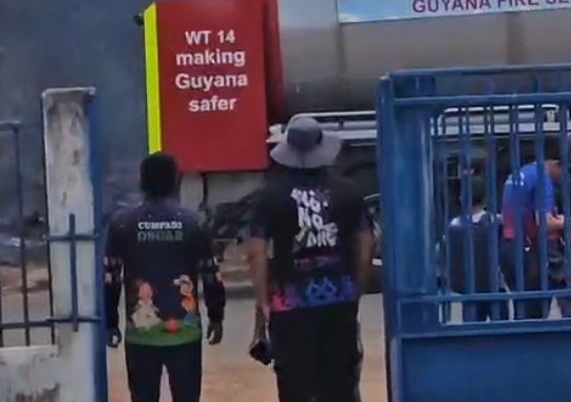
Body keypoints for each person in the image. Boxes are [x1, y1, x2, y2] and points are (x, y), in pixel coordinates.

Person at [247, 115, 374, 402]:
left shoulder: (269, 196)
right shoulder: (348, 191)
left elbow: (256, 254)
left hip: (289, 305)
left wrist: (263, 304)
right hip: (339, 301)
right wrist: (355, 286)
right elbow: (366, 244)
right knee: (341, 385)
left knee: (294, 387)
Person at [104, 152, 226, 402]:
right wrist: (216, 316)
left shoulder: (122, 224)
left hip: (141, 334)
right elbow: (211, 275)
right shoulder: (193, 223)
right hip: (185, 332)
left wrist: (110, 322)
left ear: (141, 182)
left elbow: (111, 278)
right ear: (175, 182)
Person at [500, 136, 567, 319]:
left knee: (522, 307)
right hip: (526, 251)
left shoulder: (520, 173)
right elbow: (544, 223)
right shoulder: (542, 178)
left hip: (508, 247)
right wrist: (568, 222)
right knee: (534, 312)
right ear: (555, 164)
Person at [443, 179, 507, 322]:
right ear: (485, 199)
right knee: (502, 329)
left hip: (469, 288)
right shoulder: (495, 221)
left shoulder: (453, 225)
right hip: (494, 285)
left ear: (461, 199)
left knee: (472, 329)